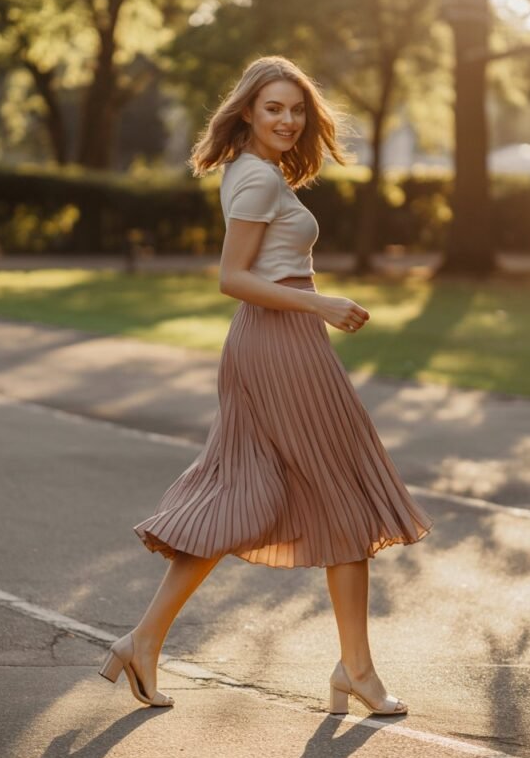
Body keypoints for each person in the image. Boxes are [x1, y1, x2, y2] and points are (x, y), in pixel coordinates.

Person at [99, 55, 433, 715]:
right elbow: (231, 277)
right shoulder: (253, 178)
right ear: (248, 111)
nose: (287, 119)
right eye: (274, 107)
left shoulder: (260, 174)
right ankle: (356, 670)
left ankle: (145, 640)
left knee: (256, 495)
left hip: (281, 341)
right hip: (280, 344)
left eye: (297, 108)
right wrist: (322, 305)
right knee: (344, 495)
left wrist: (313, 310)